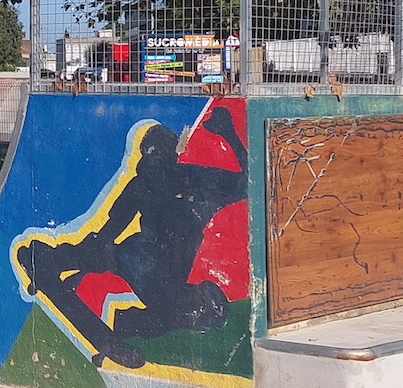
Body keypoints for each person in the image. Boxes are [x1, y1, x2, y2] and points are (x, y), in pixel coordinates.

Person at [14, 104, 247, 369]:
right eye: (145, 160)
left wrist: (228, 133)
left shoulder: (193, 178)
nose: (147, 166)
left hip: (156, 270)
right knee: (111, 254)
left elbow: (248, 181)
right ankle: (50, 259)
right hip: (141, 259)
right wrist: (86, 256)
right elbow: (108, 231)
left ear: (169, 157)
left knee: (201, 312)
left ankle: (126, 321)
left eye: (153, 159)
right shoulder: (144, 184)